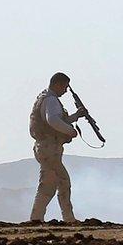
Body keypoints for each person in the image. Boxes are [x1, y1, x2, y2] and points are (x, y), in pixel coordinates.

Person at [28, 72, 86, 223]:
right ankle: (68, 218)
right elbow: (52, 120)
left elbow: (58, 119)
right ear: (58, 84)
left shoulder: (45, 98)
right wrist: (70, 131)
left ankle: (37, 218)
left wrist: (75, 116)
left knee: (48, 184)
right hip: (49, 147)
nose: (66, 91)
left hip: (46, 147)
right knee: (62, 182)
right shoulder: (51, 100)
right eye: (65, 87)